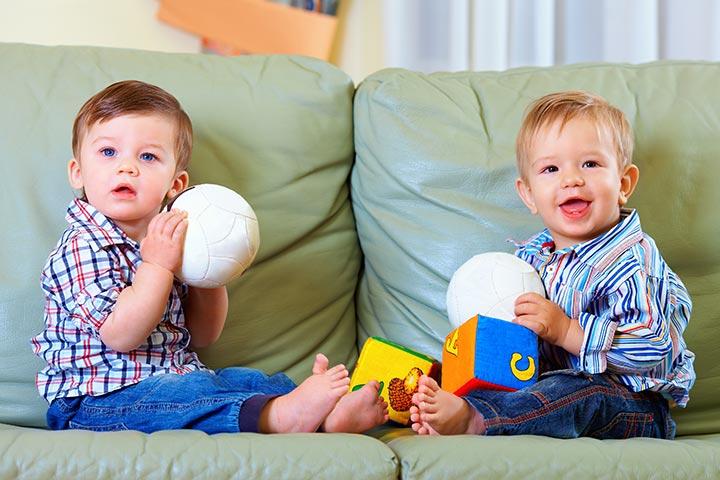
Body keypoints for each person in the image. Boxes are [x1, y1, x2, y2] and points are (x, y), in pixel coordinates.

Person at [31, 80, 388, 434]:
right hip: (96, 402)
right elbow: (121, 335)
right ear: (78, 172)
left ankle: (327, 415)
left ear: (175, 185)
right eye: (108, 152)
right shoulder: (81, 247)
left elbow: (203, 334)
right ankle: (280, 418)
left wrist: (208, 270)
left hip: (173, 382)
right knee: (193, 392)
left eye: (148, 156)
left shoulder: (173, 239)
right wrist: (156, 266)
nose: (127, 168)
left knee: (242, 380)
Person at [410, 90, 695, 439]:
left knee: (581, 394)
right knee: (517, 380)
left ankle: (477, 420)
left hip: (631, 403)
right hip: (548, 386)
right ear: (529, 194)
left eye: (590, 164)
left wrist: (568, 332)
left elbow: (654, 345)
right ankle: (453, 405)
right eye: (550, 168)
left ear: (623, 184)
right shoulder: (528, 259)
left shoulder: (633, 260)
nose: (571, 179)